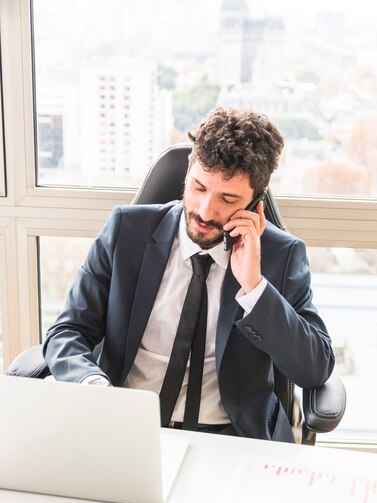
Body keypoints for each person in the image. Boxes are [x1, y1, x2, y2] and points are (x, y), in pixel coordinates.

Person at [43, 107, 334, 441]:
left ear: (256, 203)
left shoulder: (281, 256)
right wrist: (93, 386)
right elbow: (67, 331)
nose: (206, 211)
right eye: (198, 188)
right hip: (124, 427)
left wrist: (254, 287)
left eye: (227, 198)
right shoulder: (127, 232)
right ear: (188, 173)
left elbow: (315, 369)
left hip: (232, 437)